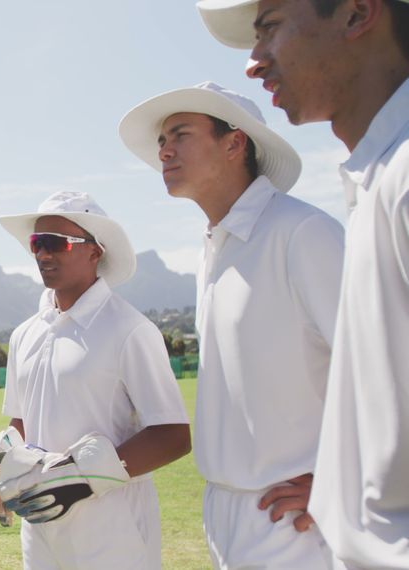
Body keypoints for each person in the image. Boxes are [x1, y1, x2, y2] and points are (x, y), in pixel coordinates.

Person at [197, 1, 409, 565]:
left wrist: (331, 483)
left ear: (358, 13)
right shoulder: (374, 181)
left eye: (270, 28)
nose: (253, 62)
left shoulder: (324, 220)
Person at [119, 81, 345, 569]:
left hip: (295, 522)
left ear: (234, 143)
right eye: (161, 141)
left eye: (179, 133)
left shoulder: (302, 233)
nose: (165, 150)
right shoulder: (215, 248)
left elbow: (391, 368)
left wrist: (339, 482)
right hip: (226, 514)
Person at [0, 191, 191, 569]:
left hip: (112, 531)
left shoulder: (130, 330)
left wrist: (80, 478)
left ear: (96, 252)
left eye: (56, 243)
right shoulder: (24, 335)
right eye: (36, 243)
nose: (43, 254)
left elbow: (173, 434)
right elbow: (23, 420)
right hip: (41, 527)